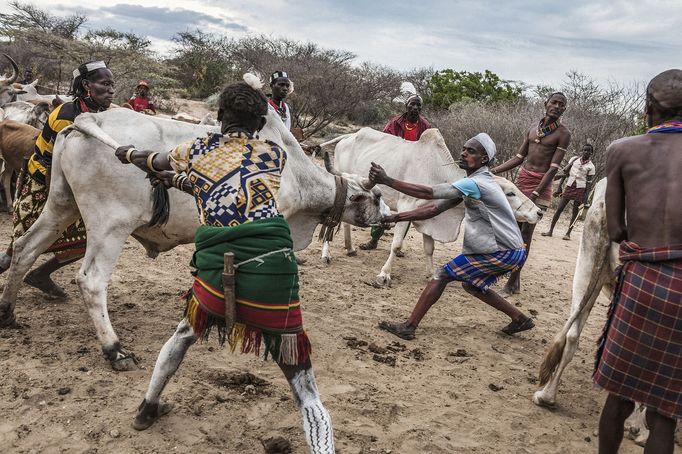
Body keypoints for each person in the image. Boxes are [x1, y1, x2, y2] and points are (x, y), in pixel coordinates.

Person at [114, 79, 335, 453]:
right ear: (261, 120)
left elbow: (158, 163)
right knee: (305, 388)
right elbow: (234, 186)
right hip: (271, 278)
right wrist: (183, 180)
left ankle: (148, 406)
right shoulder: (273, 155)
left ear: (219, 116)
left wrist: (131, 154)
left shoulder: (195, 149)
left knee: (185, 333)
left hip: (217, 276)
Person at [593, 69, 682, 454]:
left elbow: (615, 231)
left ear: (647, 107)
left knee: (619, 396)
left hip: (642, 282)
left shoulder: (622, 150)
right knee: (665, 412)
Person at [372, 133, 535, 340]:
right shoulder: (474, 182)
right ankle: (520, 318)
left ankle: (409, 326)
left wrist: (388, 180)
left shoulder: (477, 183)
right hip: (513, 250)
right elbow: (433, 210)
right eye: (464, 148)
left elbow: (429, 193)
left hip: (502, 251)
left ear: (484, 159)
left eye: (471, 151)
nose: (463, 153)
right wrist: (397, 218)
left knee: (442, 274)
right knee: (471, 285)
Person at [0, 61, 115, 297]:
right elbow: (57, 163)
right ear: (86, 85)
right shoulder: (68, 115)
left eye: (112, 84)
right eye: (105, 84)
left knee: (84, 242)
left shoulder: (100, 115)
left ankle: (40, 275)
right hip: (43, 185)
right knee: (20, 246)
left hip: (72, 188)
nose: (111, 90)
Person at [491, 92, 571, 295]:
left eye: (561, 104)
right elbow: (518, 158)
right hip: (522, 181)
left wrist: (535, 194)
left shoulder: (563, 134)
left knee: (525, 235)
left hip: (541, 186)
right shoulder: (533, 129)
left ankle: (512, 283)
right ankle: (510, 279)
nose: (557, 106)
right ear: (545, 104)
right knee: (512, 230)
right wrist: (493, 171)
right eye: (554, 102)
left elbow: (553, 168)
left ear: (564, 109)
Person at [360, 94, 432, 251]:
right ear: (406, 106)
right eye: (412, 104)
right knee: (384, 202)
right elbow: (384, 142)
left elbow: (428, 149)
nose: (415, 108)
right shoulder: (395, 123)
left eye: (418, 106)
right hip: (394, 167)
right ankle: (374, 239)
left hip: (413, 171)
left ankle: (397, 245)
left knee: (407, 207)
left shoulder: (425, 127)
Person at [541, 143, 596, 239]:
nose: (586, 152)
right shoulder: (574, 160)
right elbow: (565, 174)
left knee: (575, 212)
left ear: (591, 153)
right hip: (569, 186)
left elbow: (589, 183)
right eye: (584, 150)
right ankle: (550, 231)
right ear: (582, 151)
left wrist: (585, 198)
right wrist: (559, 187)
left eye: (588, 151)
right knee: (559, 209)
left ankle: (568, 234)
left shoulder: (591, 167)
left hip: (580, 189)